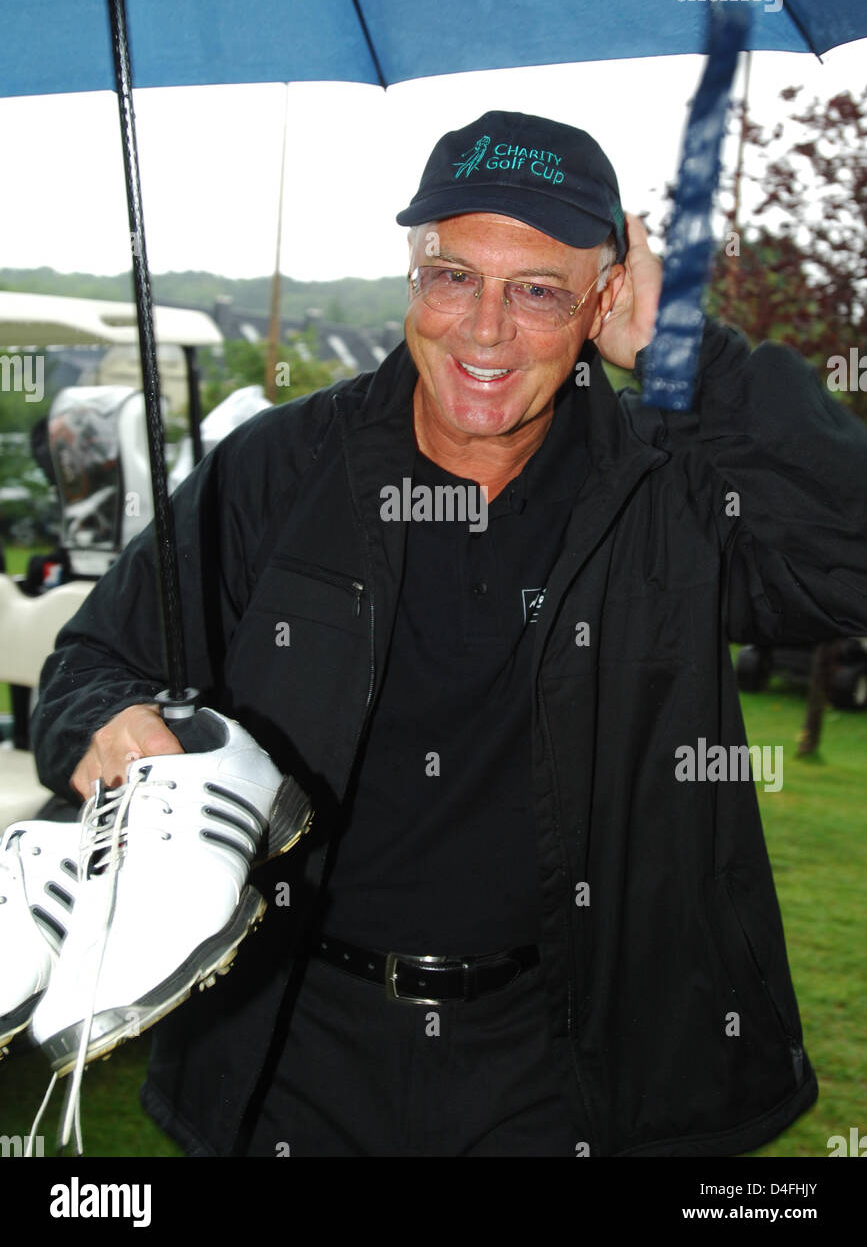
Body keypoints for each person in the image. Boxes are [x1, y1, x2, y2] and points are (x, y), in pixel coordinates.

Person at [29, 110, 867, 1157]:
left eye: (539, 291)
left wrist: (696, 362)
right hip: (295, 1047)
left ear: (605, 302)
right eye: (453, 276)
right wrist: (107, 721)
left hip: (565, 1064)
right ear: (411, 274)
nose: (483, 331)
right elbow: (91, 662)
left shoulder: (672, 487)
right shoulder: (279, 469)